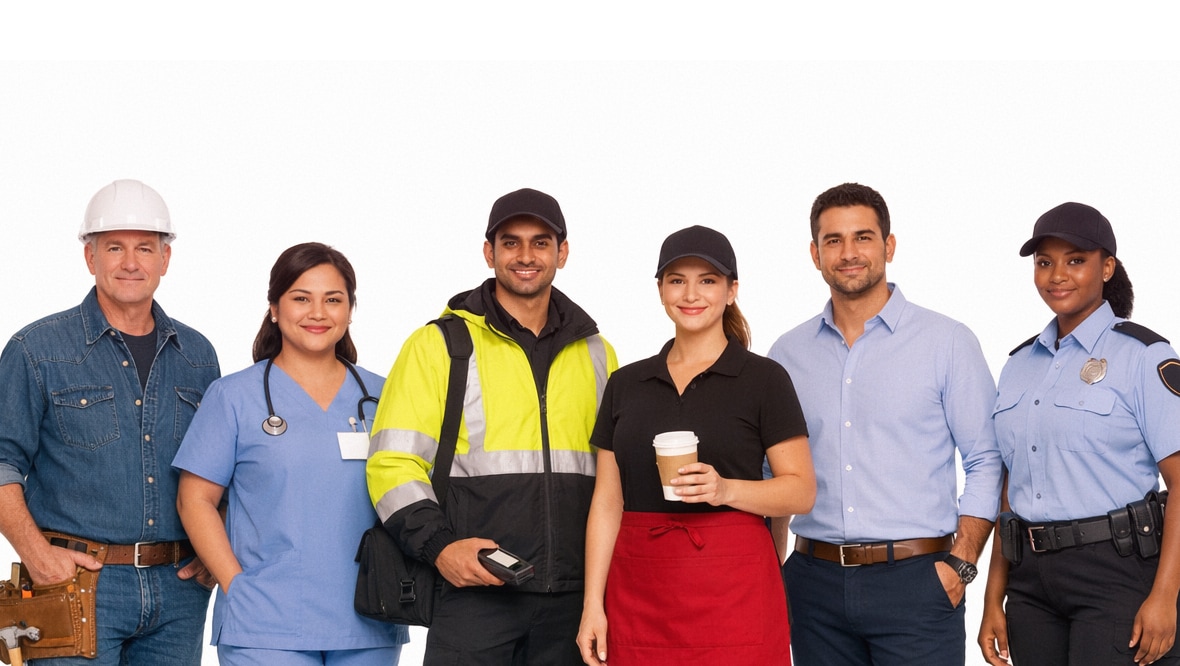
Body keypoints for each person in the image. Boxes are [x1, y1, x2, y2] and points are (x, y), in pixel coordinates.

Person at [366, 188, 618, 665]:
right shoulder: (438, 344)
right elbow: (392, 465)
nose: (526, 256)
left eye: (541, 243)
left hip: (574, 600)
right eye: (511, 243)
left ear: (562, 253)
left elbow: (615, 476)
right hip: (474, 596)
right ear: (490, 252)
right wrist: (440, 548)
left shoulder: (598, 353)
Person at [768, 182, 1002, 665]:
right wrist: (773, 570)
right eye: (833, 240)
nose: (849, 253)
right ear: (815, 254)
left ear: (888, 246)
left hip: (919, 581)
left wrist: (961, 564)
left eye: (863, 237)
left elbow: (985, 459)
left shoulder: (947, 342)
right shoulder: (787, 356)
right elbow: (773, 477)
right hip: (814, 582)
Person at [0, 179, 220, 664]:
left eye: (145, 248)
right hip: (75, 584)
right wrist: (37, 555)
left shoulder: (198, 356)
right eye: (114, 247)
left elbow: (219, 467)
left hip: (179, 592)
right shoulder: (36, 350)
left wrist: (215, 548)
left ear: (165, 259)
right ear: (89, 257)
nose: (130, 262)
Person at [576, 225, 815, 665]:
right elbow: (608, 501)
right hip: (639, 590)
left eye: (707, 280)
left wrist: (726, 490)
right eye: (677, 280)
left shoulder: (764, 380)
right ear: (661, 290)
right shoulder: (626, 383)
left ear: (731, 291)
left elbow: (800, 490)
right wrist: (593, 605)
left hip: (736, 589)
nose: (691, 293)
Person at [174, 242, 408, 664]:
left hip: (370, 618)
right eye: (301, 298)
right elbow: (195, 499)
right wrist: (235, 584)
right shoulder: (234, 397)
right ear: (275, 309)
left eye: (333, 300)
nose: (317, 313)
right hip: (265, 623)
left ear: (350, 310)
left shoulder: (384, 395)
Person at [976, 203, 1180, 666]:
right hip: (1031, 582)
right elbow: (1012, 489)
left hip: (1116, 571)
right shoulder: (1019, 365)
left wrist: (1166, 596)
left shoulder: (1144, 357)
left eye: (1075, 260)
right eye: (1044, 262)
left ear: (1106, 267)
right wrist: (993, 597)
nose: (1056, 275)